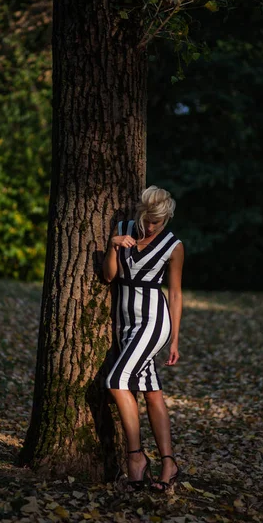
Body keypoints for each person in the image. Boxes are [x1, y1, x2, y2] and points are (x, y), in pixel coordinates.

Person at [102, 185, 184, 492]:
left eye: (157, 222)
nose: (149, 226)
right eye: (147, 219)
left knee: (116, 381)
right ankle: (169, 464)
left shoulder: (174, 246)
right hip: (125, 323)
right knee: (150, 391)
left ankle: (135, 458)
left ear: (166, 219)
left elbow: (175, 293)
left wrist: (174, 339)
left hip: (154, 323)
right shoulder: (123, 229)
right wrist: (113, 245)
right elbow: (109, 276)